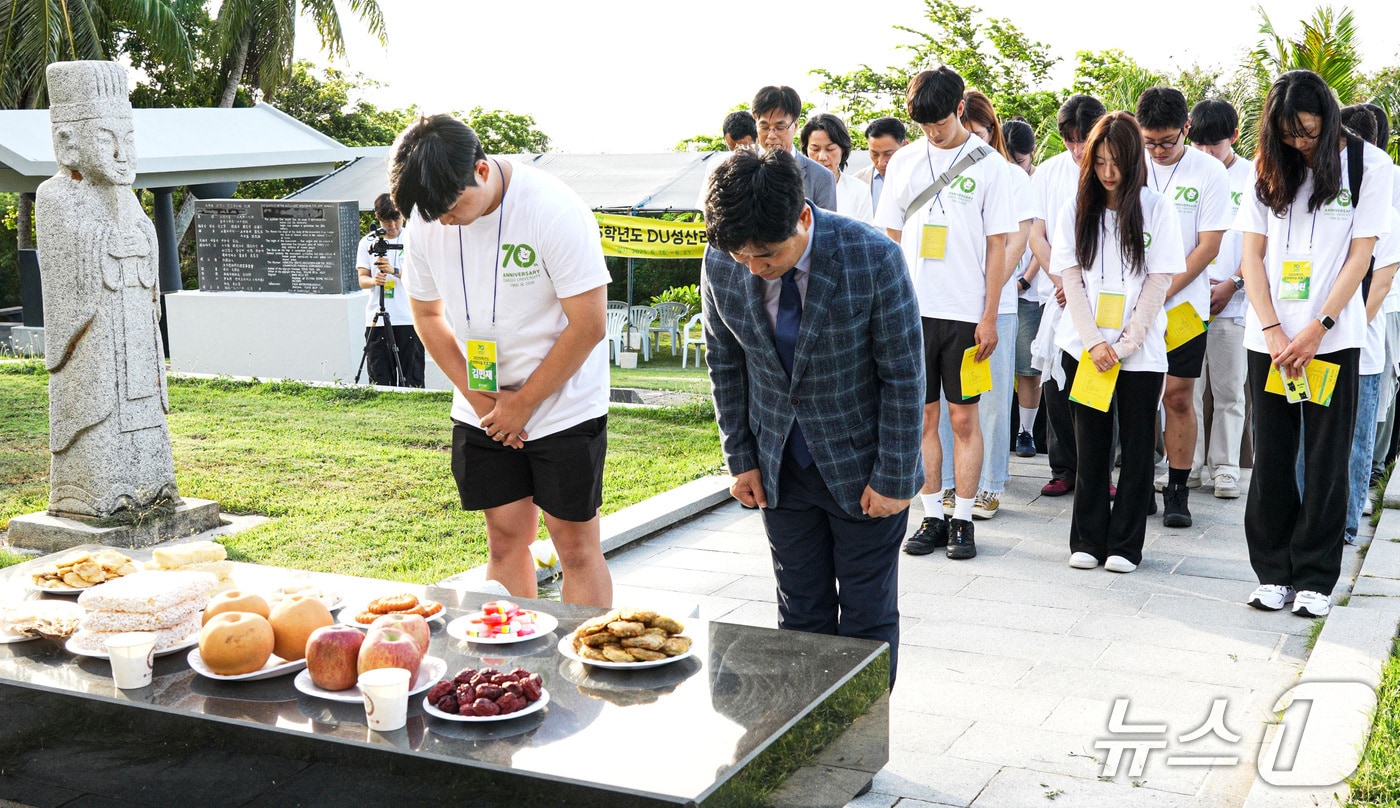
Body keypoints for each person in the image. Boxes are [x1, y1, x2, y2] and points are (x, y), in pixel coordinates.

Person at [700, 148, 924, 688]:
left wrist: (893, 477)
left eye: (767, 256)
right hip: (780, 468)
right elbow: (726, 362)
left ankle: (857, 751)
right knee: (799, 615)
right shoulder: (721, 261)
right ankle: (807, 745)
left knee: (867, 620)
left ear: (803, 216)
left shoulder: (871, 256)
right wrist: (741, 459)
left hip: (864, 467)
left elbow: (904, 374)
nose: (754, 268)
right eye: (742, 256)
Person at [390, 114, 613, 607]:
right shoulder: (427, 221)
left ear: (483, 170)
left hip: (562, 406)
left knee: (575, 547)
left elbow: (590, 324)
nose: (444, 221)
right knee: (505, 539)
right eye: (433, 214)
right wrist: (483, 400)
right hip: (483, 407)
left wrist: (525, 403)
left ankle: (589, 679)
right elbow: (427, 315)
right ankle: (514, 669)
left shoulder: (552, 209)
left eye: (452, 207)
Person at [1237, 70, 1393, 618]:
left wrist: (1317, 329)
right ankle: (1272, 571)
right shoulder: (1267, 167)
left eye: (1307, 131)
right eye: (1288, 134)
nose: (1299, 143)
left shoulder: (1370, 167)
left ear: (1327, 119)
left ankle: (1316, 578)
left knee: (1326, 460)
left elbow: (1361, 257)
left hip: (1331, 338)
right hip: (1272, 340)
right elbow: (1250, 256)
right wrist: (1276, 329)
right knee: (1273, 457)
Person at [876, 67, 1018, 558]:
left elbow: (998, 246)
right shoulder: (905, 162)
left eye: (939, 122)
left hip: (965, 313)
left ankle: (963, 519)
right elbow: (889, 239)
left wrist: (989, 315)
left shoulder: (990, 166)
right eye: (923, 125)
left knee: (962, 418)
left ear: (961, 108)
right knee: (923, 418)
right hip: (912, 314)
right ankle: (931, 514)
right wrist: (886, 310)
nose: (932, 133)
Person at [36, 59, 179, 518]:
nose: (122, 154)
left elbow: (145, 253)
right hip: (95, 338)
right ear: (68, 143)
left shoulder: (126, 197)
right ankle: (94, 491)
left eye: (128, 141)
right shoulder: (55, 196)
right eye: (106, 140)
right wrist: (104, 245)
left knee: (144, 421)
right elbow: (64, 272)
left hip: (134, 328)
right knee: (99, 413)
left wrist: (137, 242)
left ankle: (152, 484)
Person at [1053, 111, 1185, 573]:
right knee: (1090, 449)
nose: (1109, 173)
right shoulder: (1075, 209)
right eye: (1101, 163)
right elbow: (1071, 277)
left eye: (1117, 163)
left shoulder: (1157, 209)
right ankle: (1087, 538)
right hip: (1086, 348)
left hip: (1140, 351)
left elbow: (1159, 280)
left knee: (1135, 449)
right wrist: (1093, 342)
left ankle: (1126, 545)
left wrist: (1126, 344)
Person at [930, 91, 1033, 520]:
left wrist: (986, 293)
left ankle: (990, 484)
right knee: (944, 404)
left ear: (992, 131)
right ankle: (950, 485)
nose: (970, 140)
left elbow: (1017, 240)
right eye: (964, 131)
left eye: (978, 132)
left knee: (987, 400)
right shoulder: (936, 169)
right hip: (944, 307)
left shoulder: (1010, 176)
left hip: (996, 306)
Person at [1136, 87, 1231, 527]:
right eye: (1149, 141)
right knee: (1137, 397)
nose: (1157, 150)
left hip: (1183, 306)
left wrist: (1163, 289)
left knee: (1177, 395)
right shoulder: (1130, 162)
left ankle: (1178, 487)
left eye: (1167, 141)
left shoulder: (1209, 172)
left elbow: (1208, 245)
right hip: (1130, 306)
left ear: (1186, 129)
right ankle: (1139, 484)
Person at [1029, 94, 1107, 497]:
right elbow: (1036, 233)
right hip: (1056, 295)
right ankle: (1064, 467)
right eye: (1070, 140)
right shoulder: (1048, 172)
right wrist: (1060, 281)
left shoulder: (1113, 169)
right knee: (1055, 386)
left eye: (1084, 139)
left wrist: (1080, 285)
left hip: (1103, 298)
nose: (1077, 149)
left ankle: (1101, 471)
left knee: (1098, 384)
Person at [1338, 104, 1399, 545]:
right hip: (1318, 344)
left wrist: (1344, 328)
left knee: (1358, 440)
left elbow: (1380, 282)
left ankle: (1345, 521)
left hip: (1360, 345)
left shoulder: (1386, 201)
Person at [1187, 99, 1252, 499]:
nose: (1207, 153)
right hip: (1187, 296)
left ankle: (1226, 466)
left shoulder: (1254, 177)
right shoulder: (1184, 172)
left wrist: (1234, 283)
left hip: (1235, 299)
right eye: (1200, 145)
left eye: (1215, 145)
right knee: (1185, 388)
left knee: (1229, 388)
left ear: (1234, 136)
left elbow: (1260, 244)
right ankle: (1188, 464)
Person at [1005, 118, 1046, 458]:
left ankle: (1026, 432)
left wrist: (1026, 278)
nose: (1013, 165)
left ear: (1032, 154)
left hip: (1029, 291)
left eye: (1019, 159)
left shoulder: (1040, 183)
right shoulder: (997, 178)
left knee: (1028, 367)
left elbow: (1039, 238)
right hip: (997, 289)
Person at [356, 193, 426, 388]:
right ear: (378, 217)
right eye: (387, 222)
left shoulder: (413, 238)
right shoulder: (367, 242)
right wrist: (373, 280)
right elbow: (362, 279)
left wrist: (394, 271)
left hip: (407, 317)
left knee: (412, 380)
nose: (393, 226)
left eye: (397, 219)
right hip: (377, 319)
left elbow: (421, 277)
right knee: (380, 380)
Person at [751, 86, 837, 211]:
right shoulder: (738, 171)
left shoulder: (821, 177)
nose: (771, 135)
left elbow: (825, 228)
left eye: (780, 128)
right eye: (764, 127)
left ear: (795, 126)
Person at [801, 113, 874, 223]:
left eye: (830, 149)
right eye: (815, 149)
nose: (822, 157)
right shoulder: (794, 186)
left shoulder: (859, 190)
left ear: (843, 149)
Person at [855, 117, 908, 214]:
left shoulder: (922, 178)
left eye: (888, 154)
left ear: (905, 146)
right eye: (874, 154)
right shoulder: (857, 181)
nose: (881, 162)